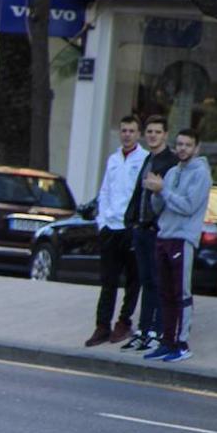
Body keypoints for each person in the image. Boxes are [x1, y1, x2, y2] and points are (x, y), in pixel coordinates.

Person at [144, 129, 211, 364]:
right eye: (180, 144)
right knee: (165, 292)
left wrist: (163, 190)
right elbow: (158, 208)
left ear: (197, 148)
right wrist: (155, 192)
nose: (182, 148)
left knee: (181, 294)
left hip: (182, 240)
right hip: (164, 236)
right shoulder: (172, 172)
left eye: (188, 145)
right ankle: (167, 341)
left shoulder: (201, 174)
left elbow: (188, 206)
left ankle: (181, 345)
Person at [86, 115, 148, 347]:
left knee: (133, 280)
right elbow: (105, 192)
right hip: (110, 228)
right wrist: (101, 223)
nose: (127, 134)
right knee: (108, 281)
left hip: (130, 228)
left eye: (131, 131)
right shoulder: (113, 159)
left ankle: (124, 322)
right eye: (123, 130)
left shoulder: (144, 159)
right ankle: (102, 326)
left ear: (138, 134)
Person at [120, 114, 179, 353]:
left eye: (157, 132)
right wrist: (131, 220)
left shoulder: (170, 162)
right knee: (146, 281)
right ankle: (143, 330)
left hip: (158, 230)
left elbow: (167, 196)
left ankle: (157, 330)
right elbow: (138, 192)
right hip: (141, 229)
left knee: (158, 282)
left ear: (165, 134)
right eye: (150, 132)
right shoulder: (148, 159)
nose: (153, 136)